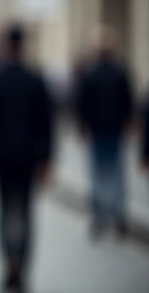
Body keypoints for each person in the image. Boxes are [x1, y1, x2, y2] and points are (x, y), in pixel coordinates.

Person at [0, 24, 53, 293]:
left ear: (6, 45)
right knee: (26, 212)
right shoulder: (36, 79)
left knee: (5, 211)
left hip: (3, 156)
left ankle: (9, 261)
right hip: (30, 156)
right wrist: (47, 159)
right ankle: (22, 263)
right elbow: (47, 123)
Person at [74, 24, 134, 239]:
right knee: (117, 172)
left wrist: (82, 126)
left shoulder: (90, 74)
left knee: (98, 173)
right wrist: (129, 122)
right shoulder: (120, 72)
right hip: (115, 128)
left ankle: (100, 216)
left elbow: (82, 104)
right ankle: (118, 216)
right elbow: (128, 101)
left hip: (98, 129)